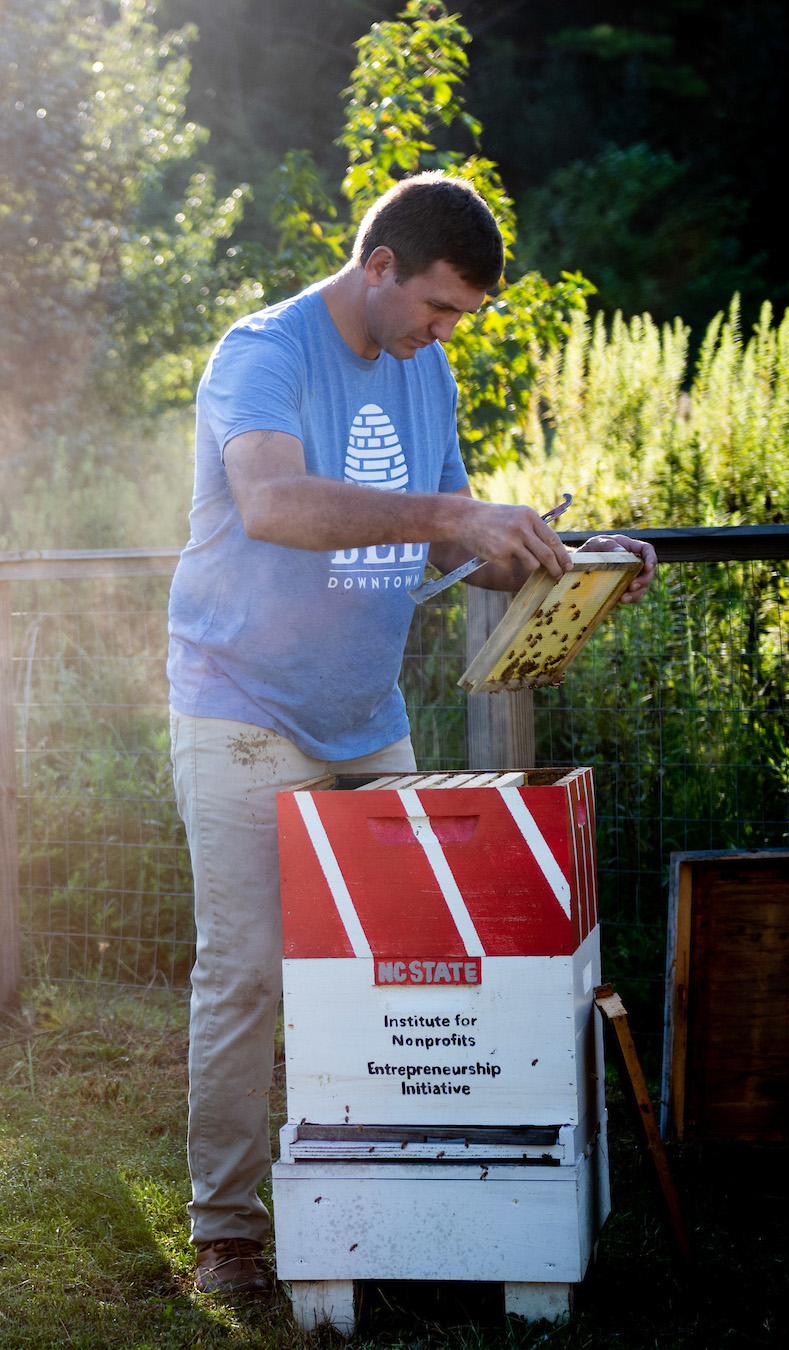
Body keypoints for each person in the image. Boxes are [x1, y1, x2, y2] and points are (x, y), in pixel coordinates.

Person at [165, 171, 657, 1298]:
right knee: (247, 971)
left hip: (365, 716)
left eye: (460, 318)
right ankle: (226, 1231)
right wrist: (449, 512)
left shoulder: (424, 368)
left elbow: (455, 545)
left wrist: (571, 561)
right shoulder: (264, 352)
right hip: (240, 704)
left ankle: (380, 1205)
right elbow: (273, 505)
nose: (444, 333)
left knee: (401, 967)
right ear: (378, 265)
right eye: (437, 307)